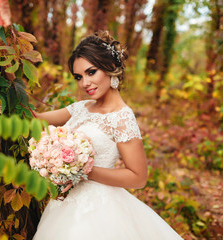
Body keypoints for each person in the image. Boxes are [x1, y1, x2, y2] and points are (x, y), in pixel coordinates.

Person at [32, 31, 183, 240]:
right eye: (78, 77)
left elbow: (138, 177)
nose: (84, 83)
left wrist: (84, 170)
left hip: (100, 210)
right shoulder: (81, 107)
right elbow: (35, 119)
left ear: (110, 68)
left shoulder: (122, 117)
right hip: (64, 204)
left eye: (91, 72)